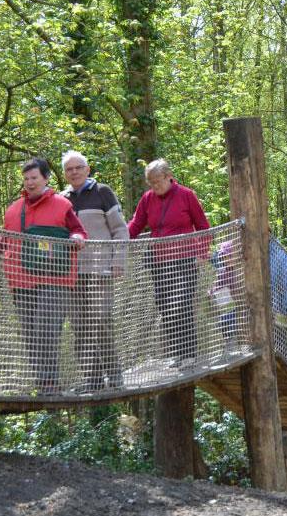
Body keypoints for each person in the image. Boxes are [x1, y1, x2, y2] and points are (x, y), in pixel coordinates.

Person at [0, 158, 86, 395]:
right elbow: (6, 244)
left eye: (34, 178)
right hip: (20, 281)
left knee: (47, 329)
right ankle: (42, 384)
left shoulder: (62, 205)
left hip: (55, 280)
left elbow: (79, 230)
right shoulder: (13, 210)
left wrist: (77, 239)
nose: (30, 183)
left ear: (46, 179)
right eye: (26, 178)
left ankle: (50, 383)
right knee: (30, 333)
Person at [127, 159, 210, 366]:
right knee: (165, 307)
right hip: (159, 261)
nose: (155, 186)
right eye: (151, 183)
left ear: (168, 176)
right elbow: (136, 225)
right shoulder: (147, 199)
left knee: (181, 304)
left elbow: (203, 226)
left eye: (158, 181)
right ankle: (177, 353)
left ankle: (189, 354)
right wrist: (117, 239)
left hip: (184, 259)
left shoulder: (186, 195)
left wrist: (202, 252)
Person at [61, 151, 128, 392]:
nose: (75, 172)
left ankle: (115, 375)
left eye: (79, 167)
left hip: (100, 270)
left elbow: (120, 230)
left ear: (88, 169)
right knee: (79, 326)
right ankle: (92, 379)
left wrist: (118, 261)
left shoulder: (102, 192)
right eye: (69, 169)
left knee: (100, 322)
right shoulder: (62, 199)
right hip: (72, 274)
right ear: (65, 174)